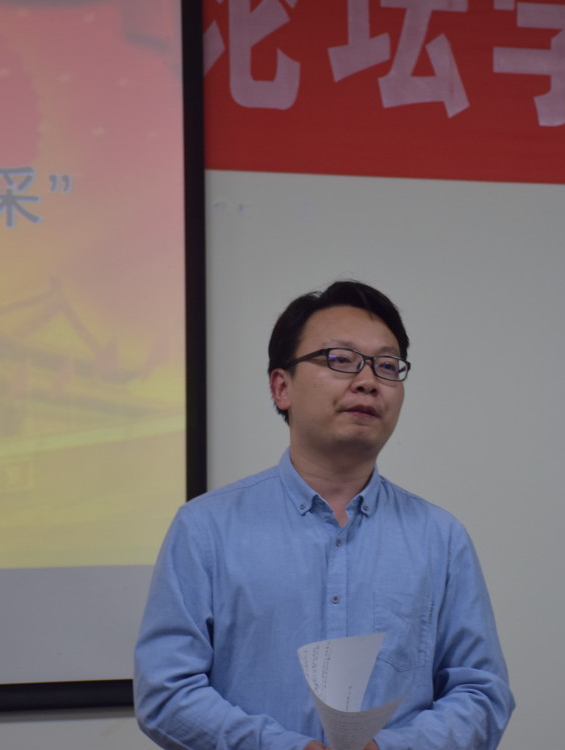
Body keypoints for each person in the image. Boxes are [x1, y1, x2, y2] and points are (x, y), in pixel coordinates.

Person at [134, 280, 514, 750]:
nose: (368, 381)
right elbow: (166, 692)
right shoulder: (205, 528)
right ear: (282, 387)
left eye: (387, 365)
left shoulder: (440, 538)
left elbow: (482, 694)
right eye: (340, 359)